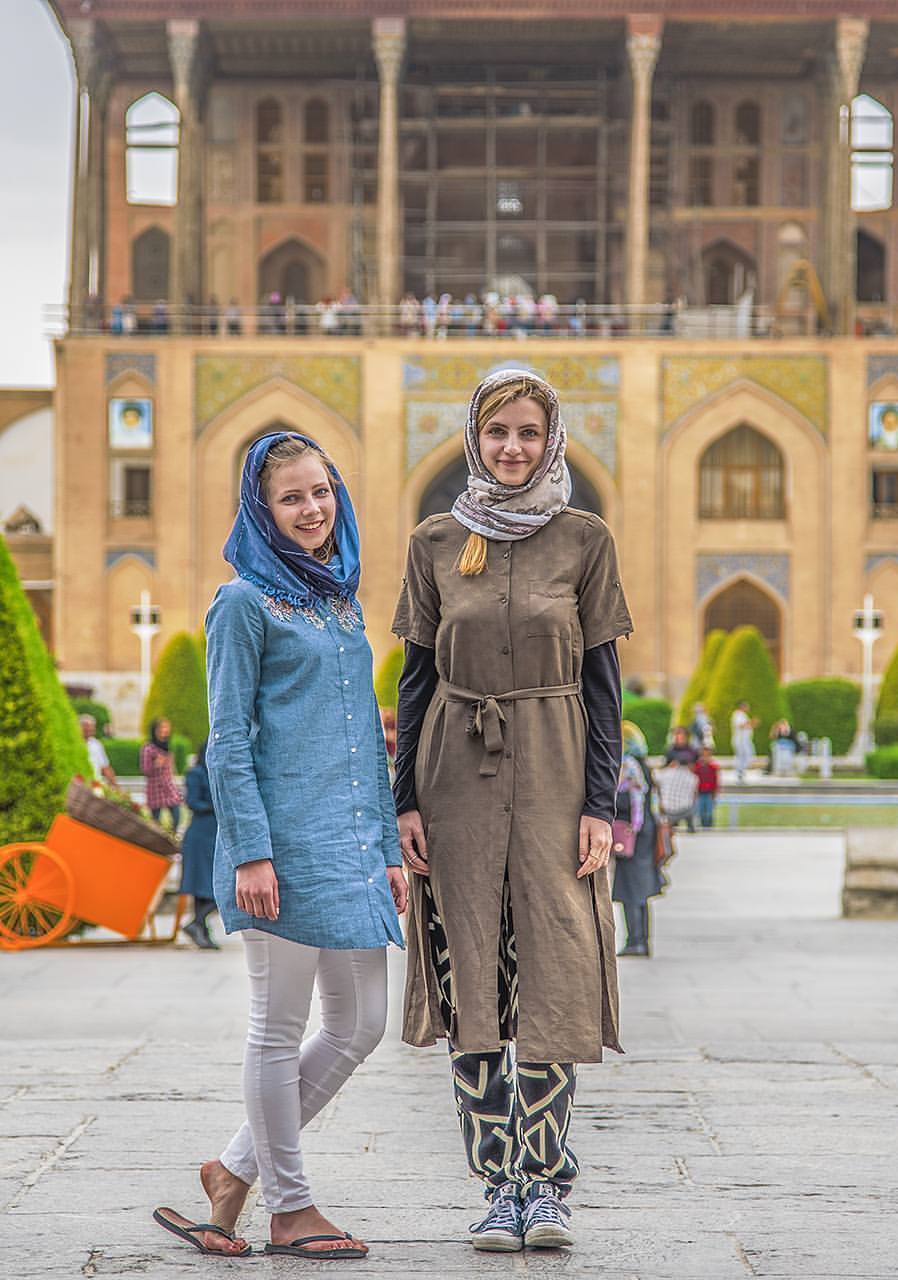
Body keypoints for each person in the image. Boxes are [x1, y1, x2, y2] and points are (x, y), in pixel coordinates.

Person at [391, 368, 632, 1253]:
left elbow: (605, 685)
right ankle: (498, 1184)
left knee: (551, 972)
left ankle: (550, 1182)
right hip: (454, 771)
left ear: (551, 437)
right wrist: (404, 802)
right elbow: (416, 678)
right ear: (474, 439)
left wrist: (598, 805)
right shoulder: (434, 541)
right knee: (474, 977)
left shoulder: (585, 540)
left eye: (529, 432)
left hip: (558, 770)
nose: (513, 448)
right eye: (498, 433)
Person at [153, 431, 407, 1262]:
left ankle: (230, 1171)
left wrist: (391, 846)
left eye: (321, 492)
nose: (311, 510)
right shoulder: (242, 603)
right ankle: (289, 1205)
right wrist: (252, 851)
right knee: (278, 1025)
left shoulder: (339, 602)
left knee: (362, 1023)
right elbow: (229, 738)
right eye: (291, 498)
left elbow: (365, 735)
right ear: (262, 511)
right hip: (282, 849)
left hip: (350, 848)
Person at [613, 725, 664, 956]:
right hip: (645, 833)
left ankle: (635, 940)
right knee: (640, 891)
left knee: (630, 890)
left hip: (631, 835)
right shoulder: (643, 766)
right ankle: (641, 939)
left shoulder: (629, 767)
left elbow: (624, 803)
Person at [179, 740, 220, 950]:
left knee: (210, 885)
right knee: (202, 886)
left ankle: (199, 926)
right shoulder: (195, 773)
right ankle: (198, 925)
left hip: (212, 834)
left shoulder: (216, 772)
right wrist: (218, 805)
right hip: (200, 835)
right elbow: (193, 802)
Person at [141, 719, 182, 834]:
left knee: (176, 811)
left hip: (168, 785)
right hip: (155, 787)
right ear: (155, 730)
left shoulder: (168, 745)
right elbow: (145, 770)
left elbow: (170, 767)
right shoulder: (148, 748)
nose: (165, 730)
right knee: (155, 819)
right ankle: (157, 840)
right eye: (162, 728)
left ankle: (172, 835)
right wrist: (156, 764)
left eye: (167, 727)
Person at [655, 754, 698, 834]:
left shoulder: (666, 773)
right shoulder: (693, 778)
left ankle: (669, 828)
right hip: (685, 811)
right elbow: (694, 796)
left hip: (667, 811)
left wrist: (660, 799)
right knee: (693, 803)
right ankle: (691, 827)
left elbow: (655, 776)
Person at [80, 714, 117, 787]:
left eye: (92, 726)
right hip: (79, 785)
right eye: (86, 725)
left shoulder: (96, 744)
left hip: (95, 785)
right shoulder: (74, 744)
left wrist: (115, 786)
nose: (90, 728)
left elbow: (105, 767)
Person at [730, 701, 757, 783]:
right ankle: (739, 774)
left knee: (749, 756)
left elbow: (747, 726)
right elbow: (740, 725)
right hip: (740, 741)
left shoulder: (744, 715)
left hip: (745, 741)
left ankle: (741, 773)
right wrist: (751, 722)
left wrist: (752, 724)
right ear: (742, 707)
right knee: (741, 757)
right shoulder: (737, 714)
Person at [694, 746, 720, 829]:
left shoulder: (713, 767)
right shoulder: (697, 767)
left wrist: (715, 793)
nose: (705, 758)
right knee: (700, 812)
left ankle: (709, 827)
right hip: (700, 793)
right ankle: (702, 827)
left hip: (709, 793)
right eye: (703, 755)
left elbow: (715, 782)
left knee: (709, 813)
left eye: (707, 755)